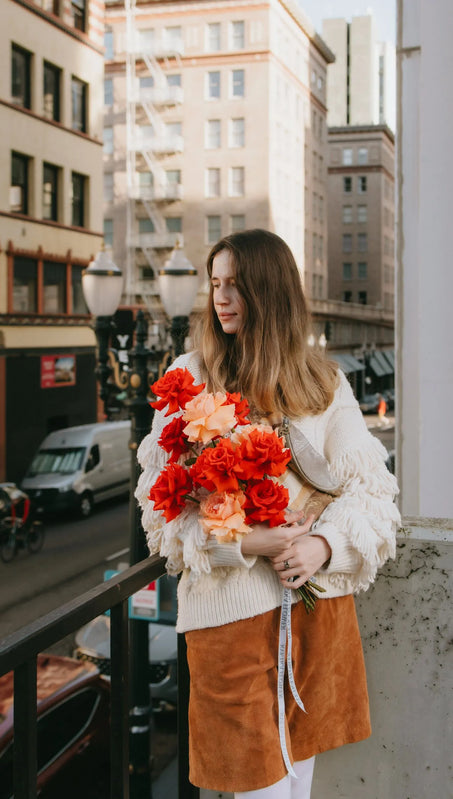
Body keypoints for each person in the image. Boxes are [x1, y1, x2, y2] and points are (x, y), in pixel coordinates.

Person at [135, 229, 400, 799]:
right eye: (215, 285)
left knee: (298, 785)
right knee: (261, 791)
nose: (221, 299)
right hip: (228, 620)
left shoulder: (322, 383)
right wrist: (248, 544)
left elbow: (374, 492)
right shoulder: (190, 378)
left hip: (317, 611)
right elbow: (160, 514)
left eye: (236, 285)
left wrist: (322, 546)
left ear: (271, 293)